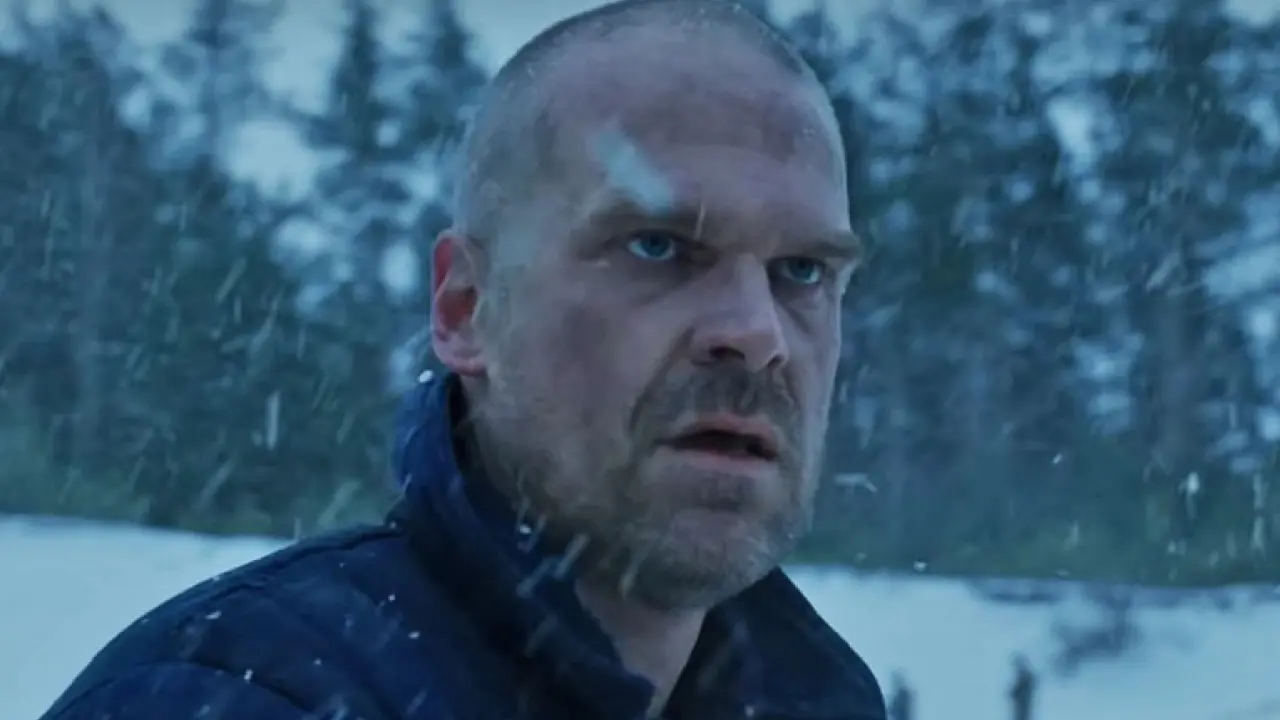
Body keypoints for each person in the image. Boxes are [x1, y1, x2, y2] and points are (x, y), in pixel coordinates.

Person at [38, 0, 885, 717]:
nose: (758, 333)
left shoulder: (826, 699)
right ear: (466, 308)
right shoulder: (239, 693)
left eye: (802, 271)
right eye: (658, 247)